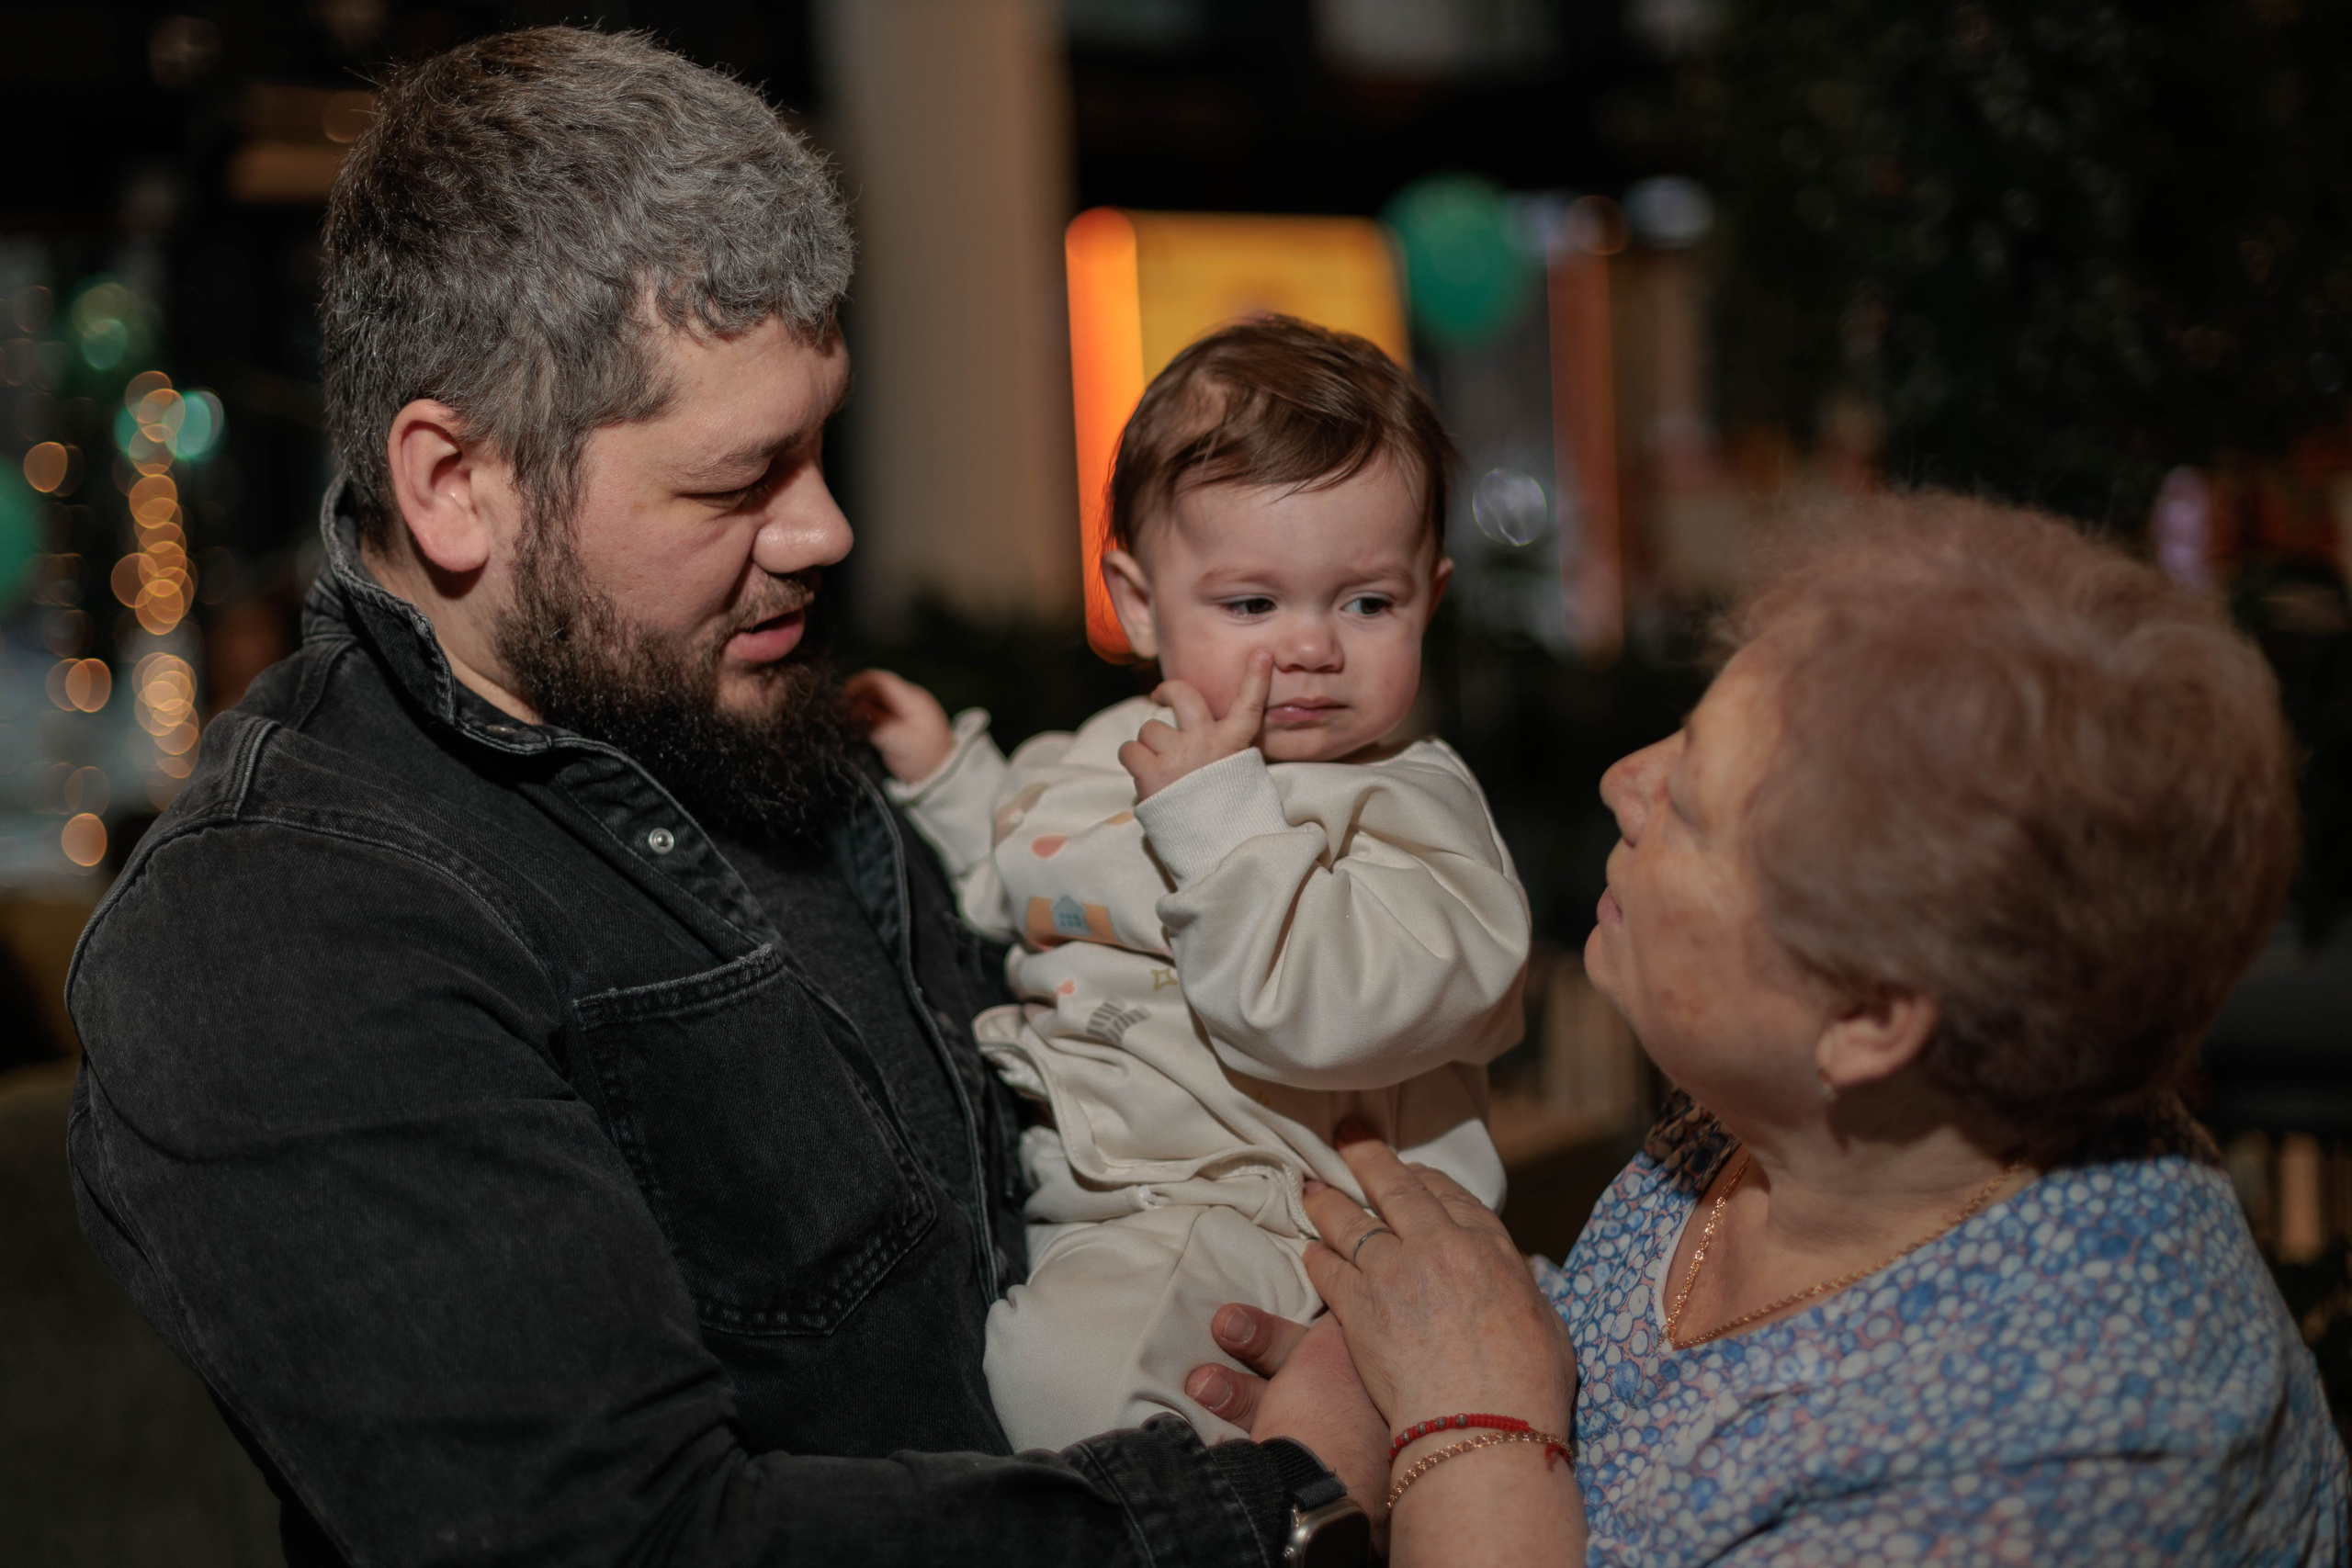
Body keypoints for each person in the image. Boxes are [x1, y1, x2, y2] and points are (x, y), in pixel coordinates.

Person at [63, 29, 1392, 1567]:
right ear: (454, 484)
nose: (825, 527)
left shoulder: (717, 704)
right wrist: (1280, 1496)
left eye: (819, 448)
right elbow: (630, 1542)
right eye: (736, 479)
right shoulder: (277, 926)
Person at [1193, 496, 2352, 1563]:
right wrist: (1377, 1404)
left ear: (1865, 1013)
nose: (1620, 781)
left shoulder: (2074, 1456)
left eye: (1691, 803)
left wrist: (1466, 1424)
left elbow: (1510, 1421)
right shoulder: (1829, 1127)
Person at [850, 318, 1530, 1450]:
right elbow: (1027, 868)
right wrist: (945, 778)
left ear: (1432, 594)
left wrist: (1221, 828)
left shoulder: (1407, 811)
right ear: (1137, 600)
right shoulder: (1119, 743)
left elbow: (1319, 1017)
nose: (1310, 648)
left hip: (1271, 1218)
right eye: (1252, 605)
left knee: (1062, 1392)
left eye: (1367, 602)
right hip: (1084, 1194)